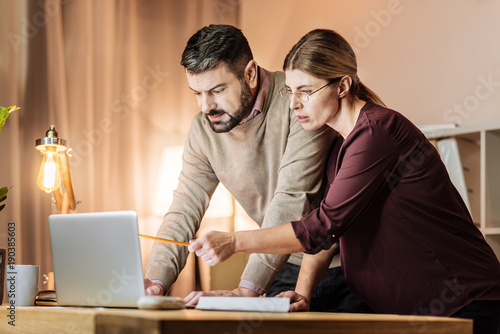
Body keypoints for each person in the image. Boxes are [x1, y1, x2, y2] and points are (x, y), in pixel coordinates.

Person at [189, 29, 500, 333]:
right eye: (290, 91)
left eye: (305, 91)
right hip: (420, 313)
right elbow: (330, 234)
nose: (294, 103)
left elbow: (323, 225)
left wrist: (235, 242)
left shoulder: (377, 132)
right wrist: (303, 292)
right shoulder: (341, 148)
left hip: (465, 303)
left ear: (343, 86)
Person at [144, 24, 371, 313]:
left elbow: (292, 198)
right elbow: (183, 209)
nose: (205, 106)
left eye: (217, 90)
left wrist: (247, 289)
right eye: (196, 93)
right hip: (283, 265)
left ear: (250, 73)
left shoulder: (296, 102)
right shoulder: (203, 131)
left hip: (348, 265)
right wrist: (155, 282)